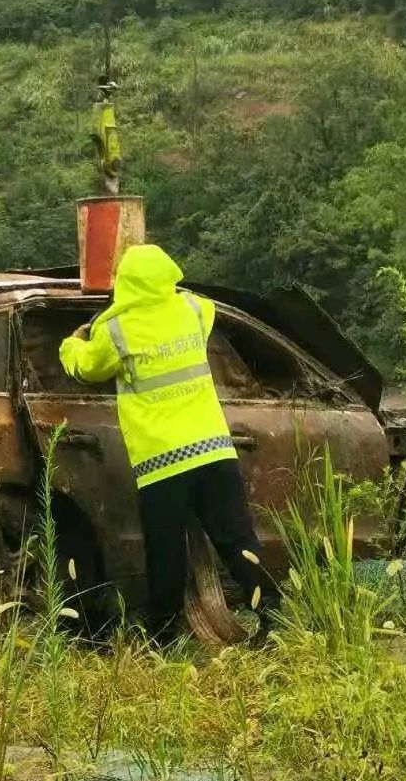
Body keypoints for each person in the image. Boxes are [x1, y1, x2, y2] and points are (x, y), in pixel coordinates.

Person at [59, 243, 277, 640]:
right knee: (237, 540)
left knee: (166, 552)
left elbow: (88, 368)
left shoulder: (116, 330)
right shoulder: (193, 310)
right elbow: (204, 311)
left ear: (125, 284)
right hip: (213, 450)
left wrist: (71, 343)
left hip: (163, 461)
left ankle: (164, 635)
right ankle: (275, 618)